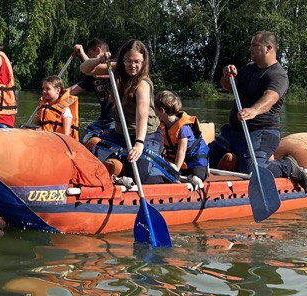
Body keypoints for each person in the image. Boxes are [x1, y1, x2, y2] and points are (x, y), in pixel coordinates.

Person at [208, 32, 307, 188]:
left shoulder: (278, 75)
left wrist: (253, 111)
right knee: (202, 159)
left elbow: (270, 98)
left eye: (254, 45)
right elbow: (228, 86)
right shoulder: (248, 69)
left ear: (268, 48)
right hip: (234, 133)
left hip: (261, 133)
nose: (250, 49)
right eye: (251, 45)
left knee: (253, 171)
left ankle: (287, 166)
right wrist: (226, 75)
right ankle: (235, 163)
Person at [79, 38, 164, 184]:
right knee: (93, 161)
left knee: (140, 177)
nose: (133, 65)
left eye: (137, 62)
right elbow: (85, 69)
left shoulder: (143, 83)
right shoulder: (115, 69)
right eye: (129, 61)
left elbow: (142, 115)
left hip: (146, 135)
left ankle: (163, 166)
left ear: (143, 62)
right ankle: (118, 173)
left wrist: (139, 143)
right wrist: (99, 59)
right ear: (122, 60)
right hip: (120, 133)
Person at [155, 90, 209, 187]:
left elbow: (182, 151)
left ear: (162, 111)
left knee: (197, 177)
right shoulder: (162, 125)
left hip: (194, 161)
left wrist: (175, 172)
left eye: (155, 109)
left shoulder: (183, 128)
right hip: (176, 159)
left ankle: (201, 172)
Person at [69, 39, 115, 145]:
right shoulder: (90, 77)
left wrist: (82, 53)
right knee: (81, 141)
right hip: (104, 119)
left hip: (117, 120)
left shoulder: (113, 66)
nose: (89, 58)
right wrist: (54, 93)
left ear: (98, 51)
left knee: (103, 144)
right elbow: (72, 91)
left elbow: (94, 72)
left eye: (90, 55)